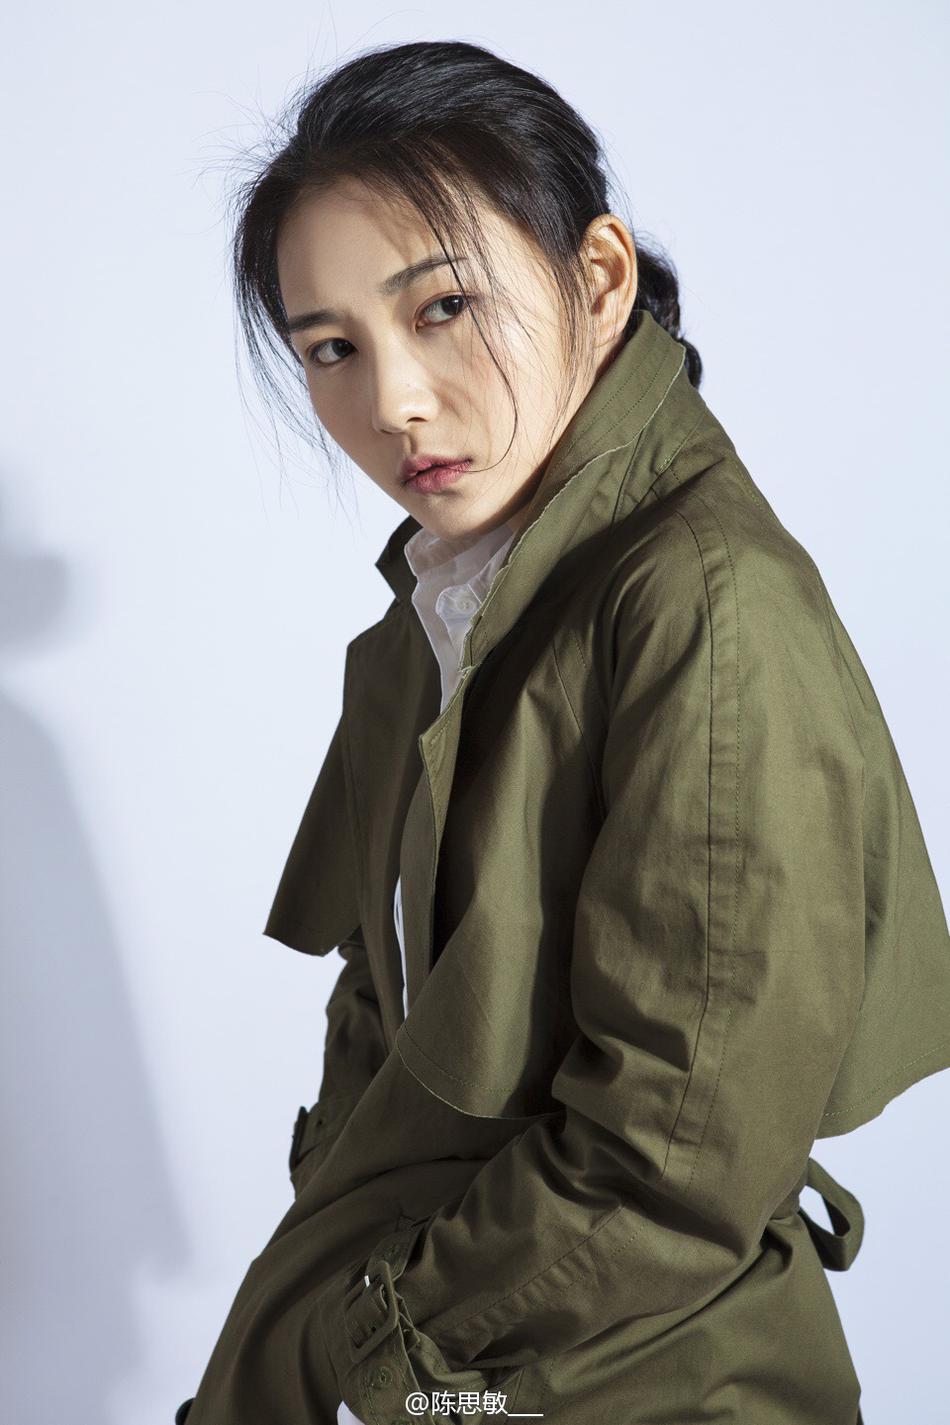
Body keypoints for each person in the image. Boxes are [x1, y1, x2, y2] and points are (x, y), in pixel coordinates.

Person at [174, 38, 950, 1425]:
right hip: (471, 1357)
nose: (392, 402)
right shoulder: (451, 603)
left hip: (631, 1379)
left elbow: (673, 1156)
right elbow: (384, 1009)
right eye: (332, 349)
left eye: (444, 307)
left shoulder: (703, 605)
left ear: (597, 279)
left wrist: (371, 1344)